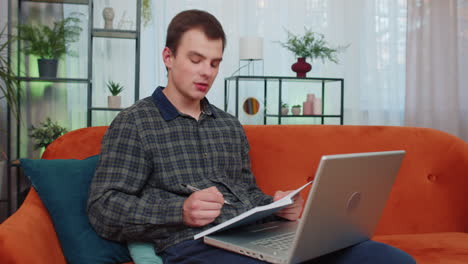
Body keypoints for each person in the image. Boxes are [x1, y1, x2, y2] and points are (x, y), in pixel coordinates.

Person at [87, 9, 415, 264]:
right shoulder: (135, 123)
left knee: (390, 259)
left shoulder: (229, 125)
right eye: (196, 59)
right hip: (196, 247)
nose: (206, 72)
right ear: (168, 58)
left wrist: (277, 207)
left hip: (260, 236)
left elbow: (246, 196)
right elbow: (104, 209)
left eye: (215, 63)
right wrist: (181, 211)